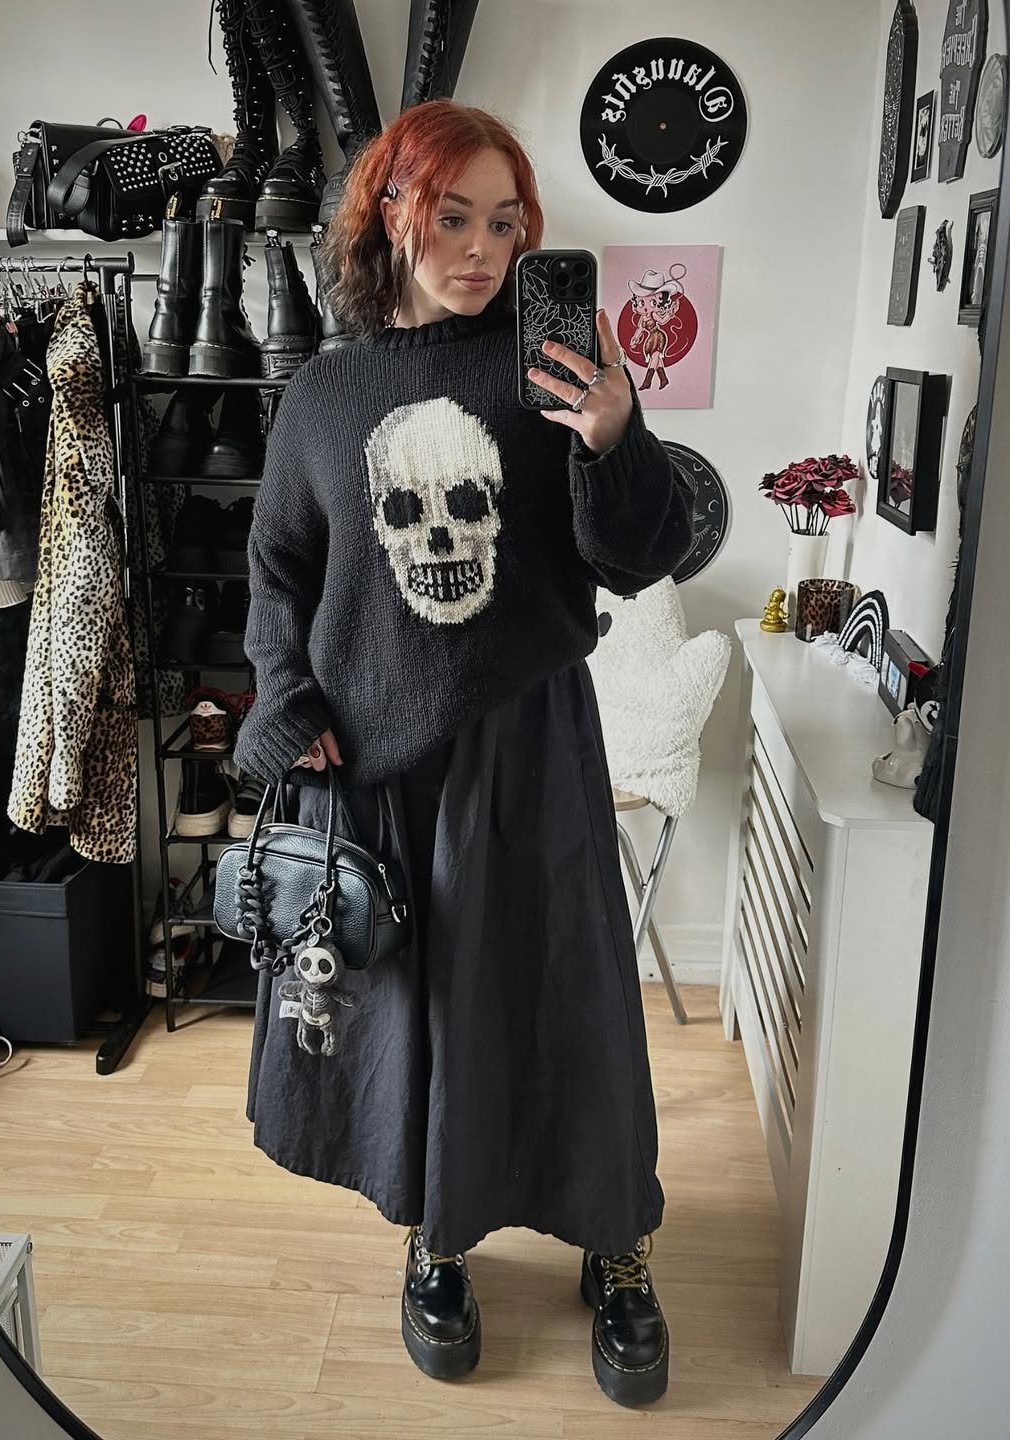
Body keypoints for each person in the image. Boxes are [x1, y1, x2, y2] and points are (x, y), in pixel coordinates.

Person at [234, 98, 692, 1409]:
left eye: (506, 222)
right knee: (422, 1011)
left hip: (532, 740)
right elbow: (279, 569)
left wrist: (616, 436)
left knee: (571, 1001)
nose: (483, 248)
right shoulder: (324, 397)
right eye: (453, 217)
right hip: (378, 763)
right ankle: (438, 1237)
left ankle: (618, 1241)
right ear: (392, 212)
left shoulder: (554, 369)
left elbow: (639, 555)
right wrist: (282, 699)